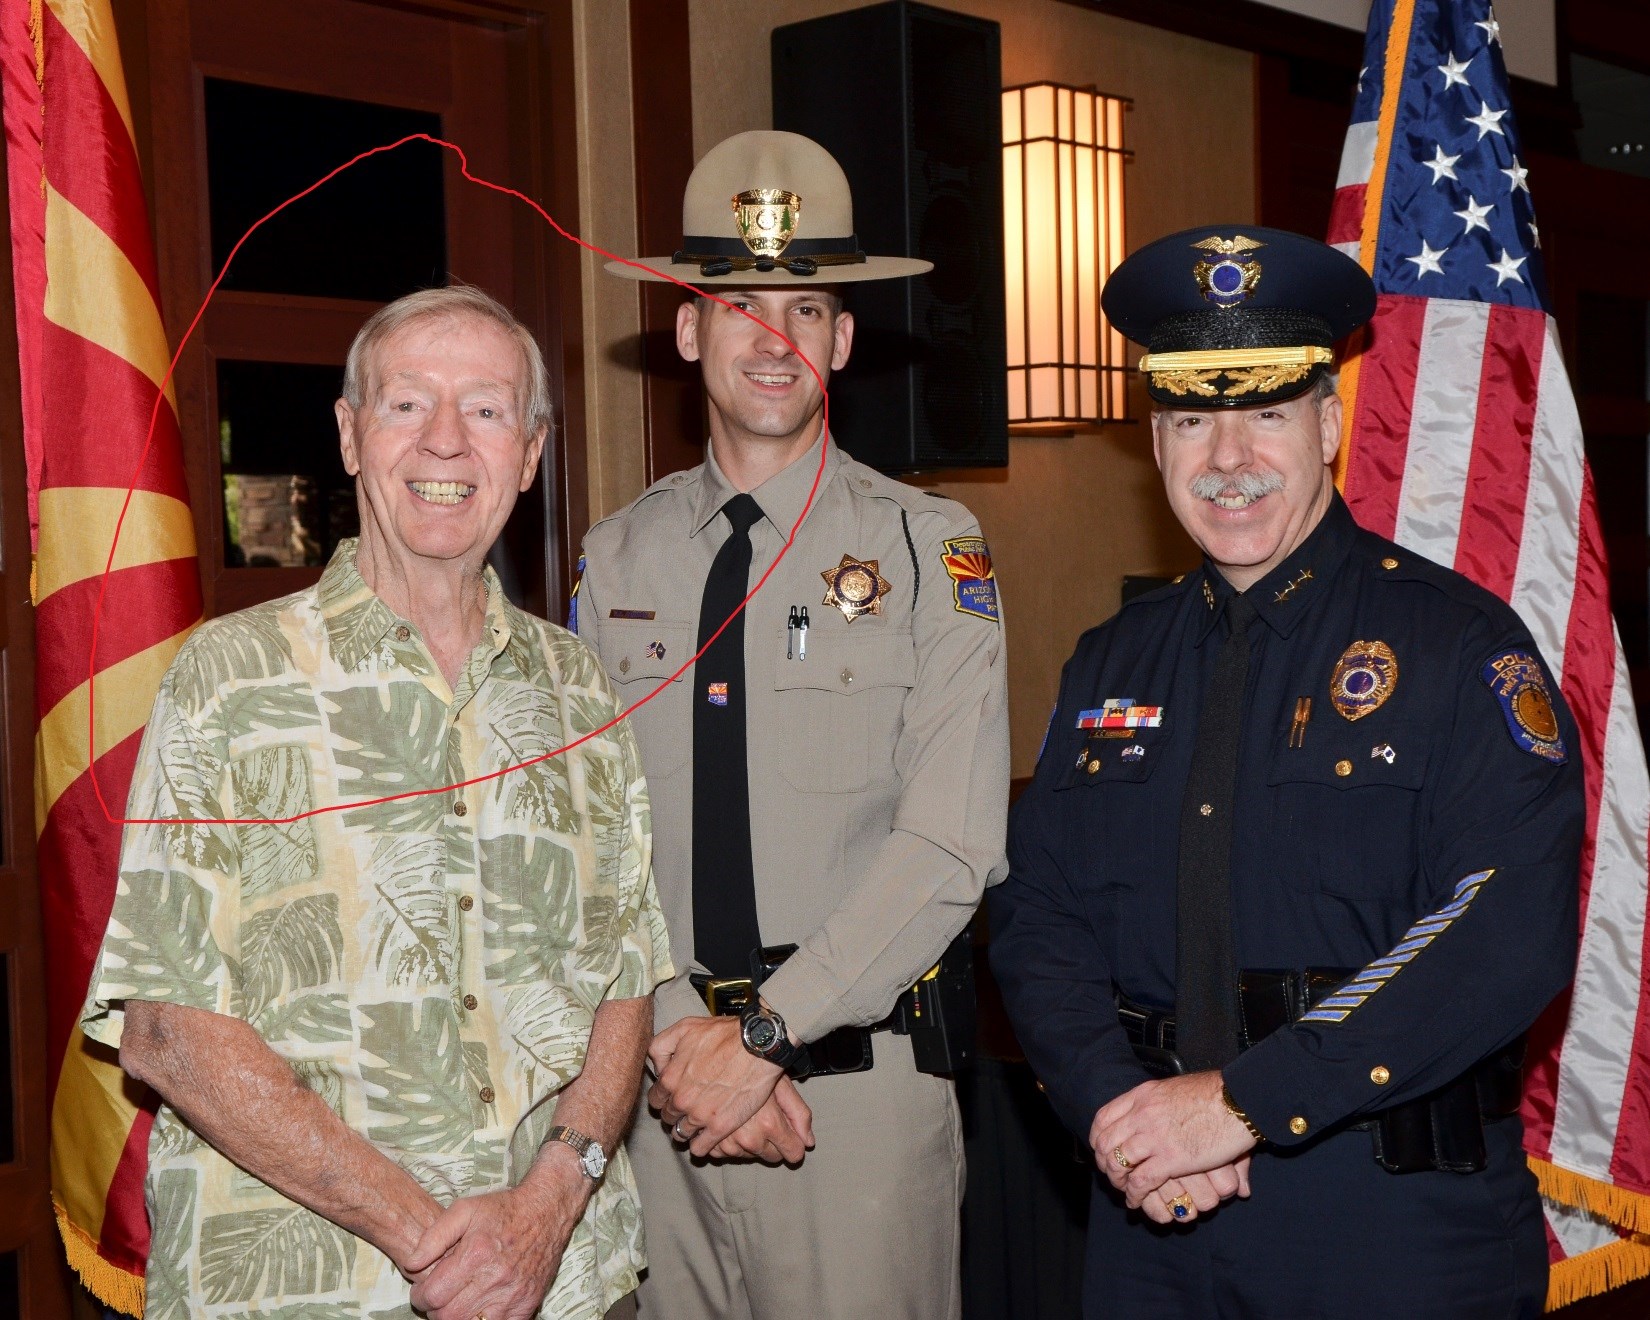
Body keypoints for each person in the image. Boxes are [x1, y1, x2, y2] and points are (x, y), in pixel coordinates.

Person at [989, 225, 1583, 1318]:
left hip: (1389, 1227)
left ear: (1325, 421)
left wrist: (1248, 1103)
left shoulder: (1459, 647)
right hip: (1153, 1207)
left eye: (1264, 412)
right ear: (1154, 441)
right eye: (1191, 420)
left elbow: (1508, 924)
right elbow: (1038, 914)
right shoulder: (1112, 660)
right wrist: (1119, 1108)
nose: (1228, 460)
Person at [80, 285, 672, 1320]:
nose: (447, 442)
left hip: (565, 1279)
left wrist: (544, 1208)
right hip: (312, 1290)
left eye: (486, 410)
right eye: (408, 405)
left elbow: (624, 980)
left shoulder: (580, 688)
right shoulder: (231, 680)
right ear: (352, 438)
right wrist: (430, 1240)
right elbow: (167, 1028)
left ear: (529, 456)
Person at [578, 130, 1010, 1319]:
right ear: (685, 329)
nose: (776, 341)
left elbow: (953, 843)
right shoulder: (616, 556)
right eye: (741, 305)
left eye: (808, 308)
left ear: (844, 340)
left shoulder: (934, 551)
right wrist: (682, 1042)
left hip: (850, 1102)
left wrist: (763, 1035)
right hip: (655, 1099)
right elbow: (587, 836)